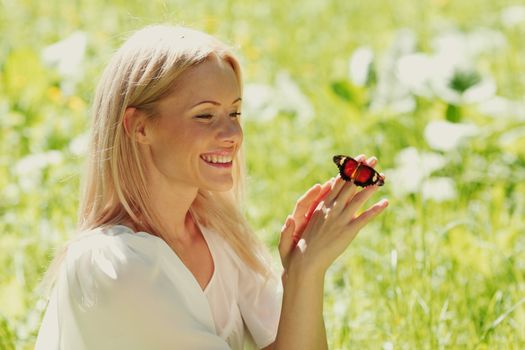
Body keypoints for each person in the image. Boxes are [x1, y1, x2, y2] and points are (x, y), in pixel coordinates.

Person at [34, 24, 389, 350]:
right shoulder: (114, 266)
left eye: (234, 114)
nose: (233, 135)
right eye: (205, 115)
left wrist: (305, 271)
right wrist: (303, 273)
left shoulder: (222, 239)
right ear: (139, 127)